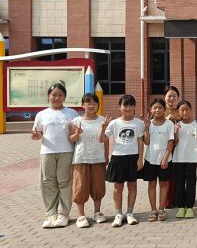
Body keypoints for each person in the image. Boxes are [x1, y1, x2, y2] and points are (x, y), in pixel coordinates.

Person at [32, 83, 79, 228]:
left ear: (65, 97)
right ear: (48, 96)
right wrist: (36, 136)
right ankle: (50, 214)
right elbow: (37, 134)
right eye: (54, 95)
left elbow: (76, 134)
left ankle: (63, 214)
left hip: (67, 151)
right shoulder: (41, 114)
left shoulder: (72, 113)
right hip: (47, 152)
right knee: (47, 183)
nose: (57, 98)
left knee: (64, 182)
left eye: (60, 95)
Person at [101, 94, 145, 227]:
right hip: (118, 158)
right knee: (117, 187)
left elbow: (140, 141)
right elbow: (102, 139)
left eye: (131, 105)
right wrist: (103, 127)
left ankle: (130, 213)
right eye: (125, 105)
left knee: (132, 186)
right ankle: (118, 214)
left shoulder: (139, 123)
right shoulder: (114, 123)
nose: (128, 108)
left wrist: (140, 159)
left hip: (133, 158)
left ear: (134, 107)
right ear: (120, 107)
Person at [69, 93, 109, 228]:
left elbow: (105, 140)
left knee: (98, 186)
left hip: (98, 158)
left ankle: (97, 212)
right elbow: (71, 139)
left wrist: (106, 155)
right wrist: (77, 133)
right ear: (83, 105)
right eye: (88, 103)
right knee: (80, 186)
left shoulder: (102, 120)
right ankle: (81, 216)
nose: (92, 106)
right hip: (81, 158)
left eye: (94, 103)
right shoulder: (76, 121)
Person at [141, 98, 175, 222]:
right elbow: (146, 142)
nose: (157, 110)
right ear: (151, 110)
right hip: (150, 159)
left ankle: (161, 209)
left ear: (164, 109)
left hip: (165, 159)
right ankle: (153, 210)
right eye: (155, 108)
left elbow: (171, 141)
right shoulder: (148, 124)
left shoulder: (169, 124)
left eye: (160, 107)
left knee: (164, 184)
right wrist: (146, 128)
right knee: (151, 184)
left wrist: (166, 157)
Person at [172, 100, 197, 219]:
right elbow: (174, 143)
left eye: (187, 109)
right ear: (178, 112)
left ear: (191, 110)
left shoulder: (196, 124)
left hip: (192, 158)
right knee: (179, 183)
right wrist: (176, 132)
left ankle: (189, 207)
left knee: (191, 183)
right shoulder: (176, 125)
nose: (185, 112)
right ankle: (180, 207)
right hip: (178, 158)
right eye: (182, 110)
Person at [163, 86, 180, 209]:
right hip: (164, 148)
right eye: (169, 96)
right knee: (166, 175)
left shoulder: (181, 110)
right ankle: (167, 200)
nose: (172, 98)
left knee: (177, 174)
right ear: (165, 97)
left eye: (174, 96)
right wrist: (165, 119)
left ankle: (177, 198)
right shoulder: (160, 109)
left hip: (179, 146)